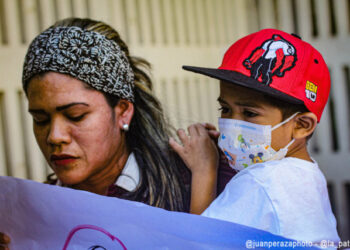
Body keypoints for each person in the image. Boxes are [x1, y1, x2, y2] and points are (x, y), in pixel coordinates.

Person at [0, 17, 190, 248]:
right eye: (40, 120)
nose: (55, 136)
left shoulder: (190, 187)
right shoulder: (29, 217)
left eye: (76, 115)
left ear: (122, 112)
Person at [170, 29, 340, 244]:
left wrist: (204, 169)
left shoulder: (263, 181)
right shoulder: (307, 175)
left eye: (249, 113)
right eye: (225, 109)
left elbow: (200, 242)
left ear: (301, 125)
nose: (233, 125)